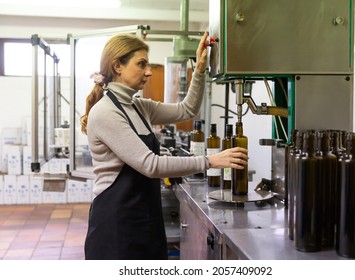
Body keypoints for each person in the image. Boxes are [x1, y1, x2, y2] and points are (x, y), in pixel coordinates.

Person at [81, 31, 248, 260]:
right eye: (141, 64)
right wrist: (210, 161)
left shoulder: (139, 106)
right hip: (117, 224)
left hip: (146, 216)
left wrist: (199, 70)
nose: (148, 72)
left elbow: (186, 110)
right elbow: (150, 165)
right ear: (117, 66)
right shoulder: (105, 112)